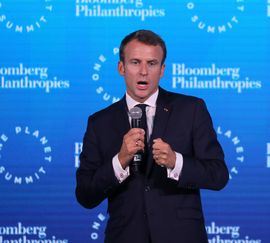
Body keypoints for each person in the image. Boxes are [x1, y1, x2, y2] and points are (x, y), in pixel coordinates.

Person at [75, 29, 229, 243]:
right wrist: (119, 161)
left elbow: (218, 175)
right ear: (121, 67)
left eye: (152, 63)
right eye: (135, 62)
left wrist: (176, 162)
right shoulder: (99, 123)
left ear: (162, 70)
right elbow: (85, 195)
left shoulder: (191, 109)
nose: (143, 72)